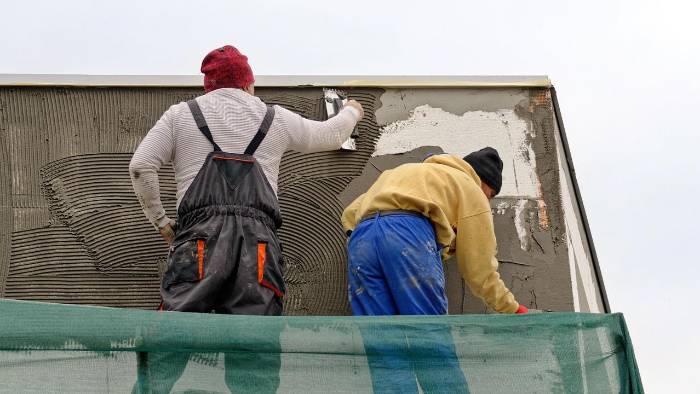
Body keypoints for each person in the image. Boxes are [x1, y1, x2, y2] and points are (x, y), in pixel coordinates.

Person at [129, 44, 363, 393]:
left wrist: (163, 223)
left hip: (197, 243)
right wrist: (352, 112)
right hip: (258, 249)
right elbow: (330, 135)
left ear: (208, 86)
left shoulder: (181, 115)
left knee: (171, 338)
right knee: (255, 349)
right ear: (249, 84)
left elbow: (140, 166)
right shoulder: (276, 118)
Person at [342, 148, 526, 393]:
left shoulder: (406, 171)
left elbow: (350, 213)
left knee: (384, 351)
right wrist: (512, 308)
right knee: (429, 340)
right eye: (489, 195)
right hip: (407, 236)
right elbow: (479, 269)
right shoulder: (469, 188)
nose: (488, 202)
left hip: (361, 241)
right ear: (482, 182)